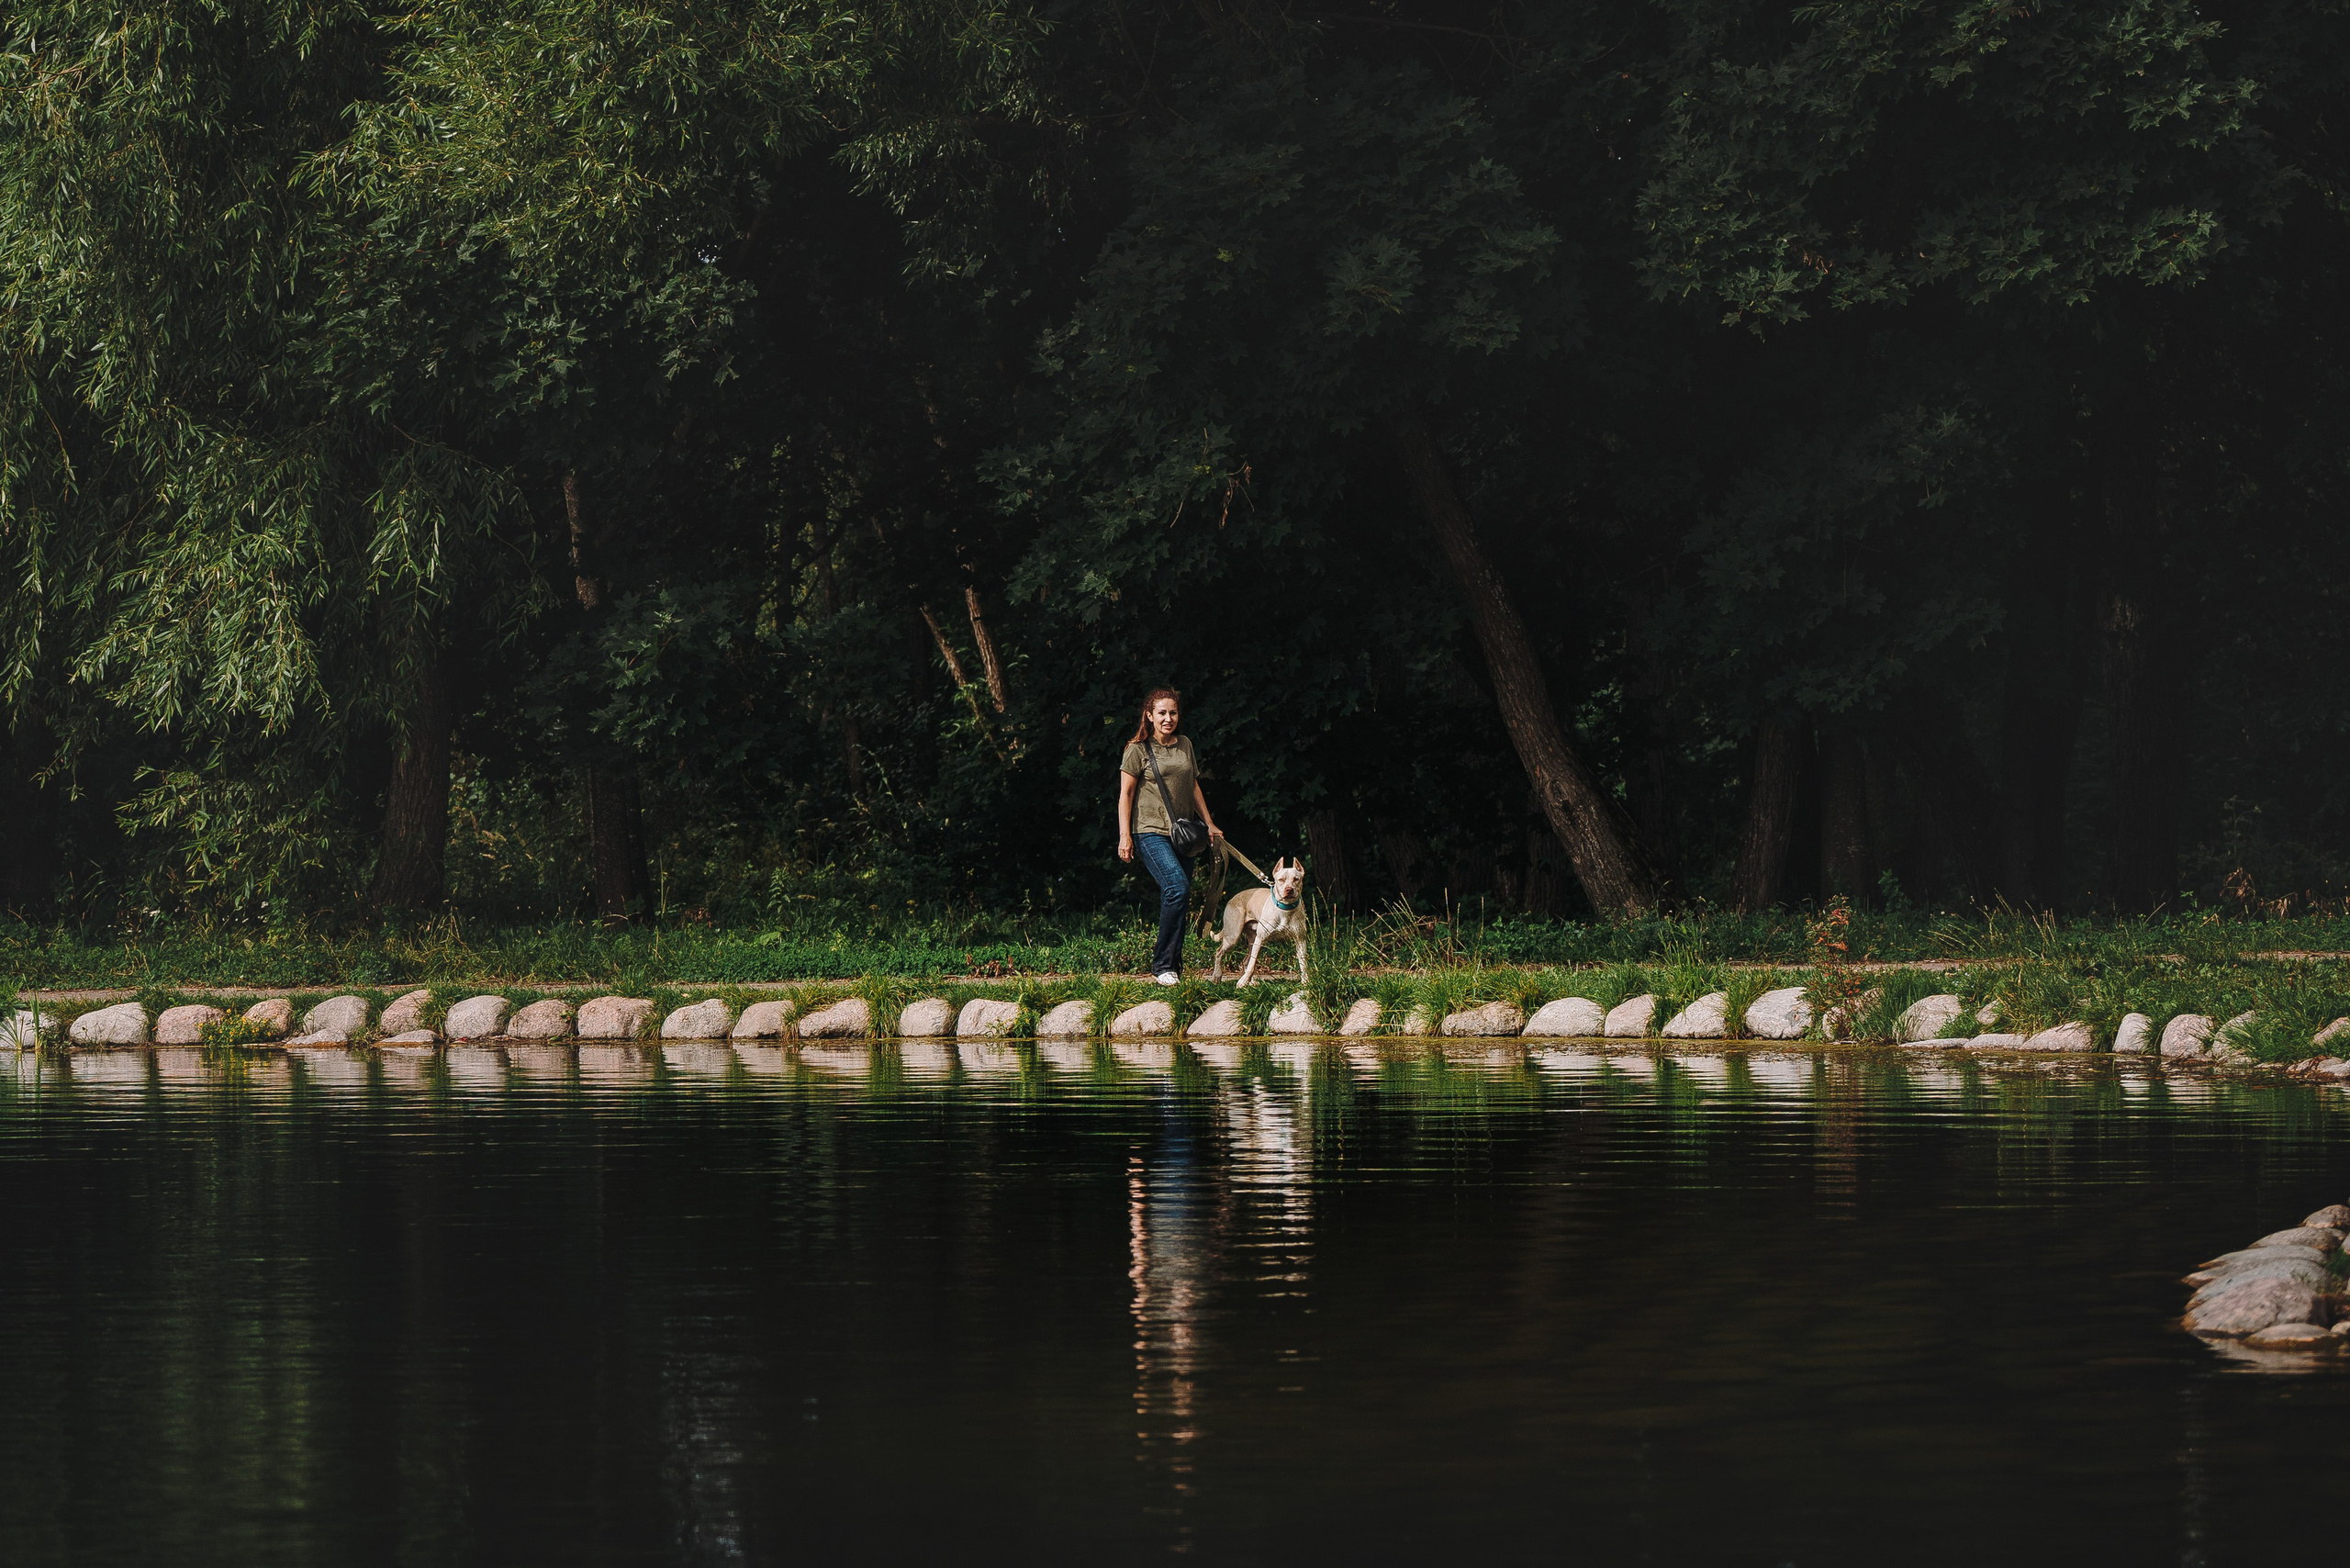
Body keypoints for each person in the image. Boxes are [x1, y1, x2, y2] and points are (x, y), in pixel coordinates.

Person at [1117, 688, 1224, 984]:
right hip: (1149, 831)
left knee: (1181, 894)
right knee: (1177, 887)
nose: (1168, 718)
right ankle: (1162, 965)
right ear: (1149, 716)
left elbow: (1193, 786)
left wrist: (1209, 823)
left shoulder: (1185, 744)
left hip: (1183, 834)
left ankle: (1173, 967)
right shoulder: (1137, 749)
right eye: (1162, 713)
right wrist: (1125, 836)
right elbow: (1126, 794)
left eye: (1173, 713)